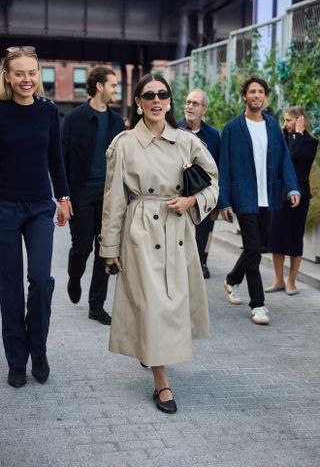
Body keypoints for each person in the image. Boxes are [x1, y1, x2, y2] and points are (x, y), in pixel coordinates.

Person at [99, 73, 218, 413]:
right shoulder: (123, 144)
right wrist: (109, 249)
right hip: (140, 233)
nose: (155, 100)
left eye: (162, 94)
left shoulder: (186, 141)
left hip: (178, 231)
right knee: (152, 306)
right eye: (148, 95)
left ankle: (153, 353)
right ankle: (162, 383)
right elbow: (114, 200)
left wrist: (192, 202)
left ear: (169, 100)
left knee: (171, 306)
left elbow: (213, 183)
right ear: (137, 101)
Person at [0, 46, 71, 388]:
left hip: (40, 207)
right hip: (4, 209)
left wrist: (64, 197)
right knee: (10, 288)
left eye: (32, 73)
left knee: (41, 280)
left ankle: (38, 350)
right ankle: (16, 359)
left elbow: (56, 160)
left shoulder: (48, 112)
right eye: (19, 73)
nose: (26, 79)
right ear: (7, 77)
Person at [218, 77, 300, 325]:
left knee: (257, 247)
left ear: (265, 97)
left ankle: (232, 279)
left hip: (269, 196)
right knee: (253, 248)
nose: (256, 95)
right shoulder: (233, 128)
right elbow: (224, 166)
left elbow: (285, 159)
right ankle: (258, 304)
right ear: (244, 96)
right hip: (244, 196)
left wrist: (292, 188)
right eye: (252, 91)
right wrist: (224, 201)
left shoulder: (273, 126)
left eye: (260, 92)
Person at [61, 66, 125, 325]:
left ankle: (96, 305)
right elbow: (62, 160)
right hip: (81, 194)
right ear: (99, 86)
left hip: (110, 196)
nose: (116, 90)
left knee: (106, 249)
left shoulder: (118, 122)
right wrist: (63, 197)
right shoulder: (74, 118)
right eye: (113, 85)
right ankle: (74, 275)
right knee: (82, 247)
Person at [266, 107, 318, 295]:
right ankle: (279, 280)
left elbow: (294, 157)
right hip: (280, 195)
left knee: (295, 239)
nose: (285, 123)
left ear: (300, 120)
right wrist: (285, 134)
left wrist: (297, 134)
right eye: (285, 120)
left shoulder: (311, 142)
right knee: (277, 238)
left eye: (289, 120)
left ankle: (291, 282)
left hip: (300, 196)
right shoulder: (282, 139)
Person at [179, 89, 221, 278]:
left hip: (204, 195)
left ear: (204, 109)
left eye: (194, 103)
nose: (189, 106)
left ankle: (202, 262)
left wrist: (217, 203)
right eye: (187, 102)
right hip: (178, 193)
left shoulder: (213, 135)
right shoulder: (174, 131)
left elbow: (219, 168)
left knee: (205, 232)